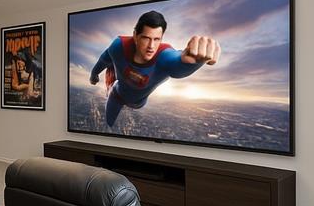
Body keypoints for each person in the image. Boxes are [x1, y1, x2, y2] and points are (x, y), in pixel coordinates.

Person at [89, 10, 220, 127]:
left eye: (157, 39)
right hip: (117, 95)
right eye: (146, 38)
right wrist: (94, 74)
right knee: (109, 124)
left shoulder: (164, 56)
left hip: (138, 102)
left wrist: (193, 62)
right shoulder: (119, 46)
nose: (151, 46)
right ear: (135, 36)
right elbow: (104, 59)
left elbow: (176, 65)